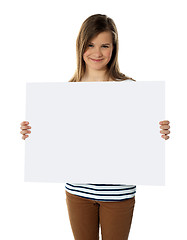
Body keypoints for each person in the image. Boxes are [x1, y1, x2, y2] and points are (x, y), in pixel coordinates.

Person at [20, 14, 170, 240]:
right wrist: (33, 132)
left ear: (114, 48)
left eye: (104, 45)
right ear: (81, 46)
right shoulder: (65, 93)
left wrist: (160, 132)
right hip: (78, 192)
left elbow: (143, 137)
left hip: (118, 193)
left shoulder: (131, 90)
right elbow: (58, 140)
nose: (97, 52)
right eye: (90, 44)